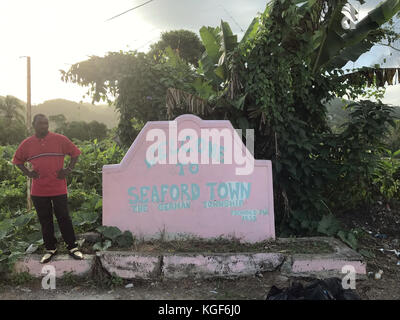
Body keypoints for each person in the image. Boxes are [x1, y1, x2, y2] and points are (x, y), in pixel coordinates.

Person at [12, 114, 84, 263]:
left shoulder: (60, 139)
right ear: (34, 125)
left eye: (46, 123)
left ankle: (72, 247)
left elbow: (75, 153)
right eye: (40, 123)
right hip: (39, 190)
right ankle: (50, 249)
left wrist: (68, 169)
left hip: (58, 188)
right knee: (45, 220)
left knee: (64, 217)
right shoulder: (27, 144)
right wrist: (29, 173)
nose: (44, 126)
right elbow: (17, 160)